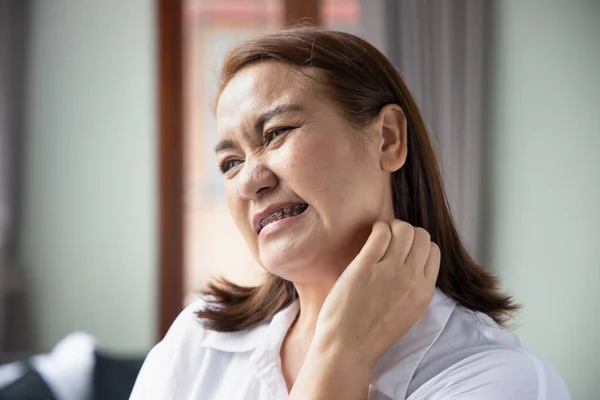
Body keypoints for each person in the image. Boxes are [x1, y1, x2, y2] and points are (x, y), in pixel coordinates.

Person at [130, 27, 570, 400]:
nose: (248, 182)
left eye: (275, 133)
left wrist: (344, 350)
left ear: (388, 139)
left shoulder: (498, 380)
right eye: (230, 163)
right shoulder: (197, 342)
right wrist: (342, 349)